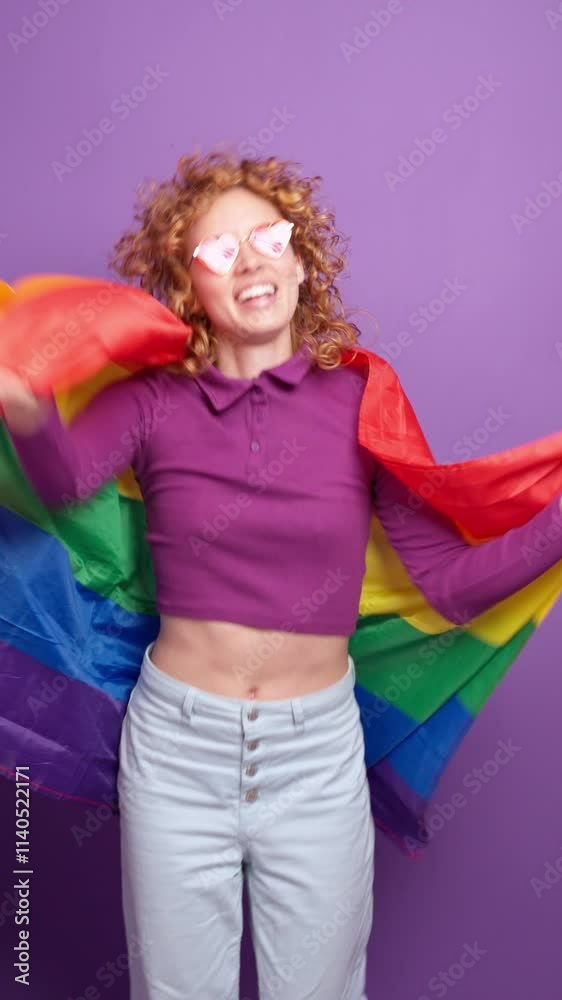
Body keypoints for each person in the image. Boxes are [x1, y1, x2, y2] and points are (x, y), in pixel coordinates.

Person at [1, 149, 562, 1000]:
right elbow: (68, 485)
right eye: (220, 251)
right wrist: (28, 411)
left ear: (302, 257)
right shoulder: (154, 402)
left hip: (317, 760)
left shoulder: (359, 398)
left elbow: (449, 585)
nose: (252, 260)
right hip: (177, 753)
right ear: (191, 289)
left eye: (267, 236)